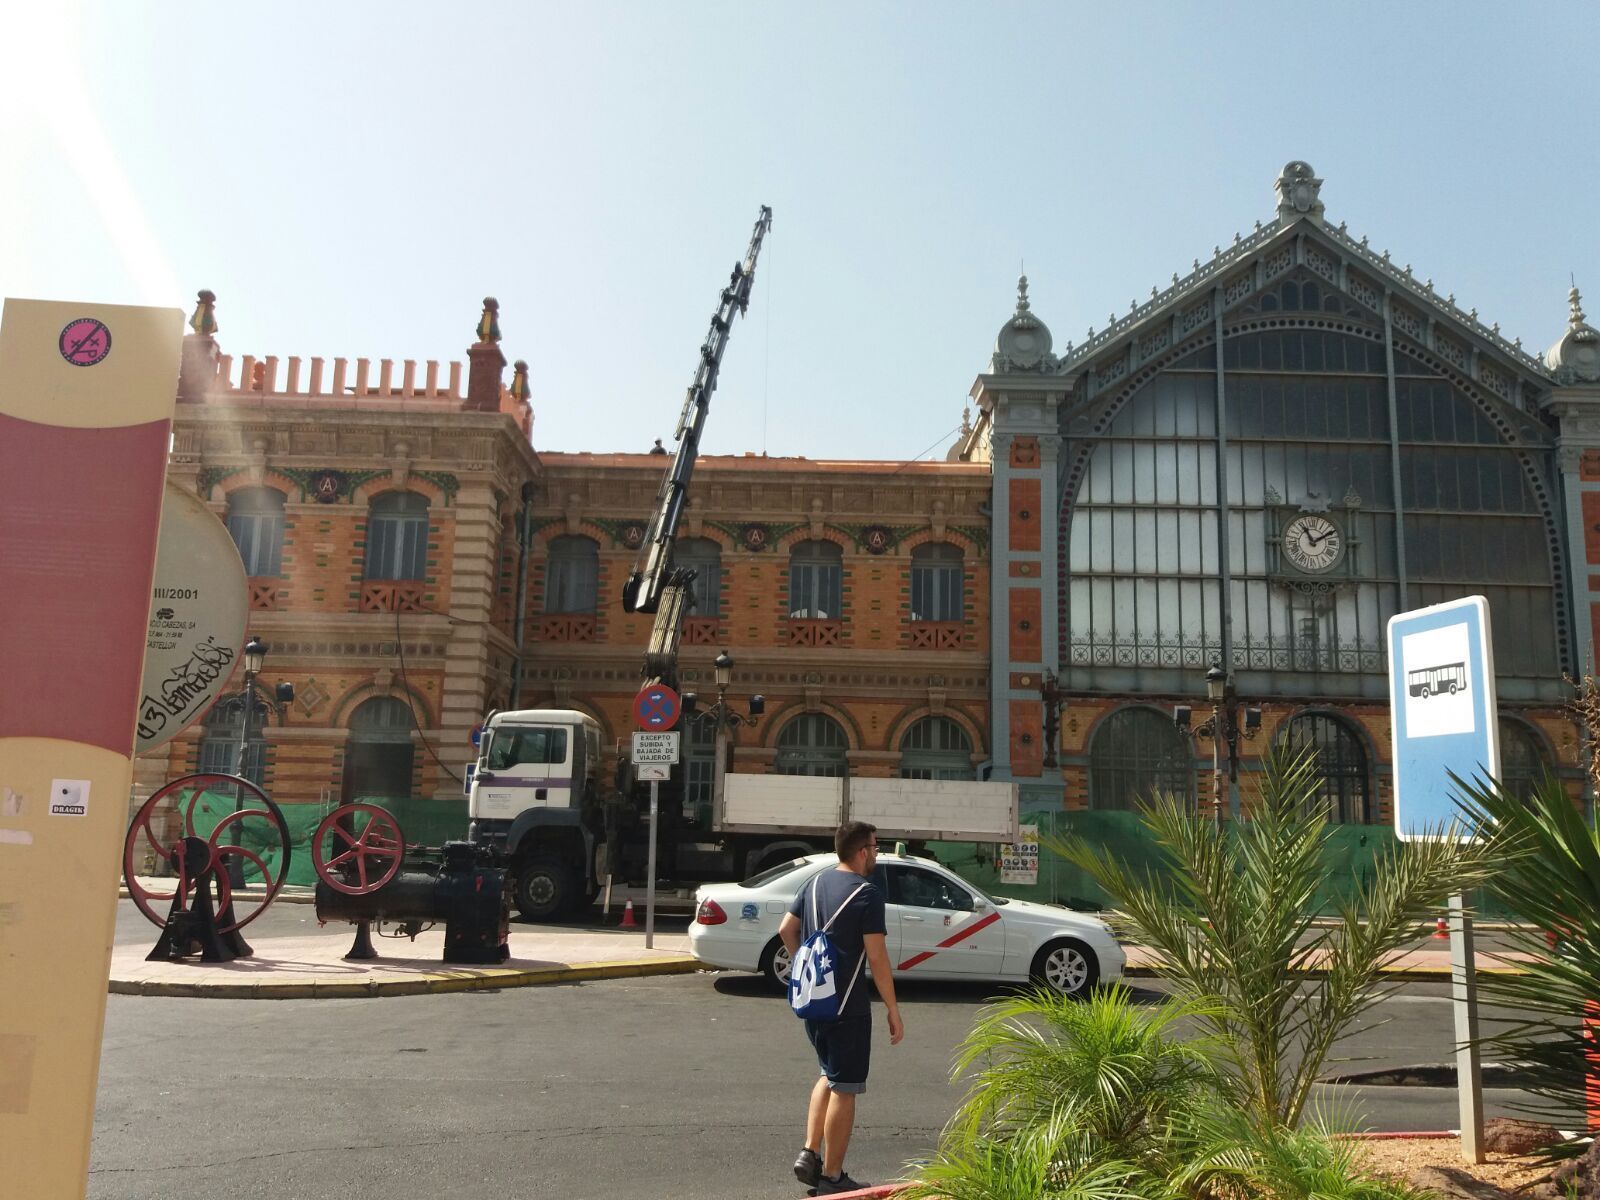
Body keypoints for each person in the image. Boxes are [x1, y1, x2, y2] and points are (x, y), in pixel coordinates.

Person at [779, 820, 904, 1195]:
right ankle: (832, 1177)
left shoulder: (813, 883)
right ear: (862, 851)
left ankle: (809, 1152)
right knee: (845, 1087)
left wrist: (806, 965)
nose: (877, 854)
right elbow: (878, 958)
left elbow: (787, 929)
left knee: (827, 1074)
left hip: (814, 1004)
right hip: (848, 1008)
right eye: (876, 847)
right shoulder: (866, 893)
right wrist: (893, 1010)